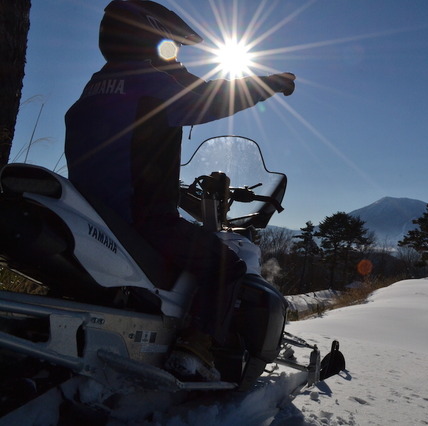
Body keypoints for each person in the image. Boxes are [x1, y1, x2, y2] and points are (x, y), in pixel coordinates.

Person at [64, 0, 295, 381]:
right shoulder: (150, 79)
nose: (177, 59)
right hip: (139, 217)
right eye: (173, 47)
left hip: (90, 212)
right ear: (152, 37)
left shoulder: (95, 86)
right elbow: (212, 97)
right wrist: (269, 83)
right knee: (226, 265)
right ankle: (195, 351)